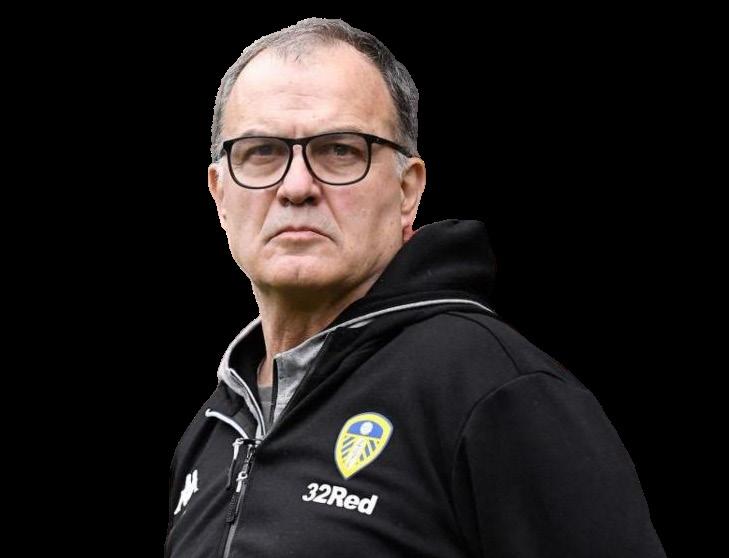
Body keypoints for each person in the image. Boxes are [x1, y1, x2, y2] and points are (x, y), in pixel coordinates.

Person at [165, 17, 665, 558]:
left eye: (340, 150)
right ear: (220, 194)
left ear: (408, 191)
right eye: (262, 152)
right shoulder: (213, 429)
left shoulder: (496, 392)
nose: (297, 186)